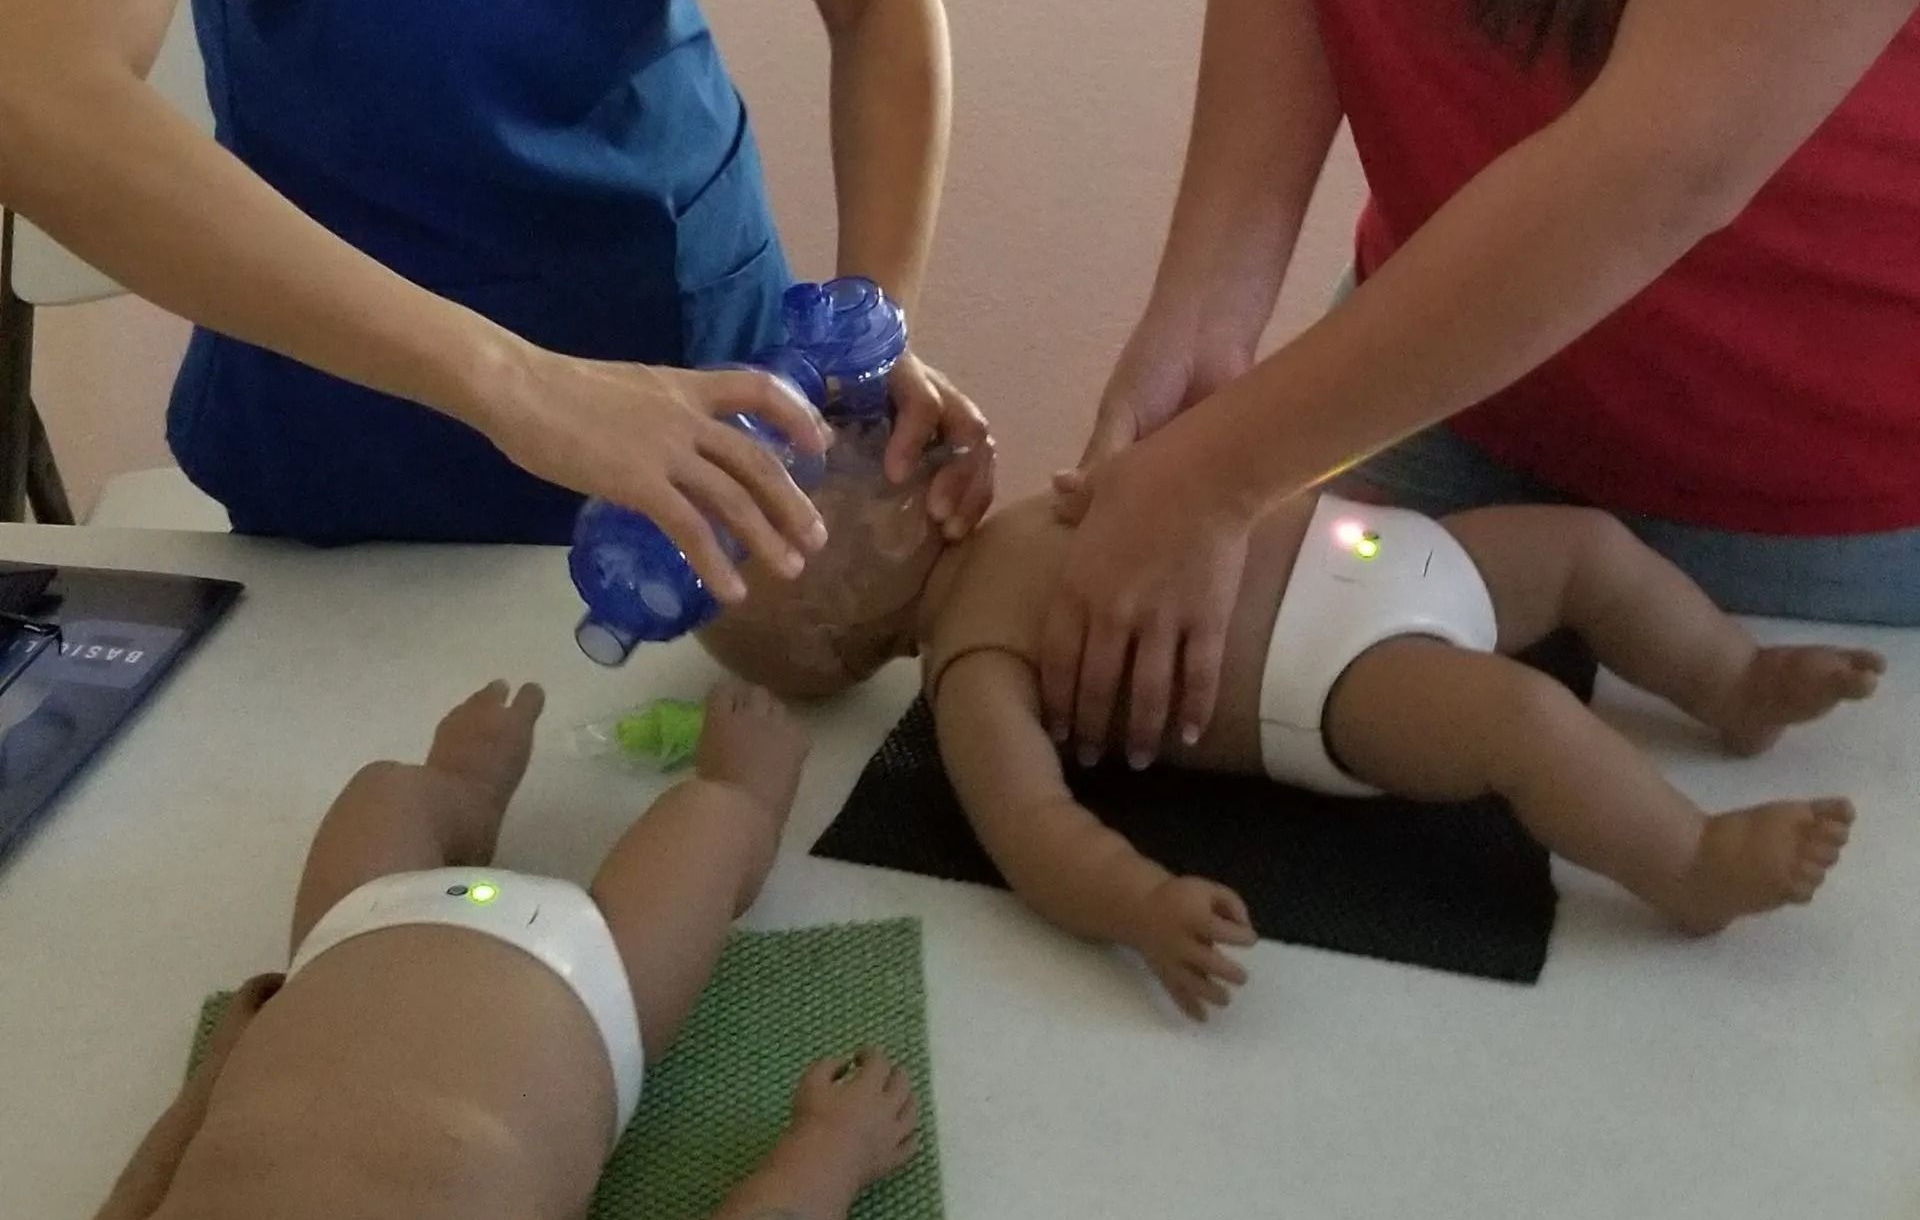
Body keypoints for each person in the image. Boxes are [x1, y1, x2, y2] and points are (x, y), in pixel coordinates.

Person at [1041, 0, 1920, 761]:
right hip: (1427, 397)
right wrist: (1204, 317)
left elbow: (1663, 163)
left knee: (1694, 885)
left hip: (1809, 498)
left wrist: (1218, 473)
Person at [0, 0, 993, 588]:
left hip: (708, 379)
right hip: (363, 442)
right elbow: (35, 94)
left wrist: (873, 325)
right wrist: (517, 384)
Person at [697, 470, 1877, 1021]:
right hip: (1337, 675)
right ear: (836, 613)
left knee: (1589, 545)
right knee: (1524, 722)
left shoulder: (1041, 504)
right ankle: (1688, 862)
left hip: (1396, 552)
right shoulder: (974, 666)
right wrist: (1144, 903)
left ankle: (1733, 678)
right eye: (823, 486)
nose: (868, 455)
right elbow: (1033, 831)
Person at [58, 679, 923, 1220]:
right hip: (584, 971)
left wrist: (219, 1070)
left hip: (354, 936)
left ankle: (462, 791)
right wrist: (833, 1150)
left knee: (386, 794)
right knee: (709, 829)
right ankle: (751, 787)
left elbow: (149, 1172)